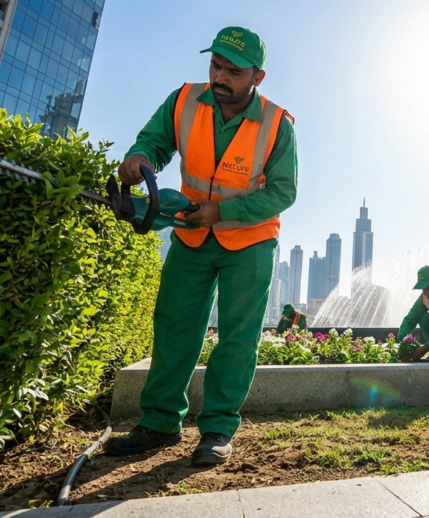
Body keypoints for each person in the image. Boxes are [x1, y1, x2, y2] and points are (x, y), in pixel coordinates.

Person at [103, 27, 297, 465]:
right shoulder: (184, 101)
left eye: (233, 70)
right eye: (215, 64)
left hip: (249, 242)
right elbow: (153, 141)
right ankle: (158, 423)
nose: (220, 76)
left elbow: (282, 192)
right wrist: (140, 158)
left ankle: (217, 430)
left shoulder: (277, 124)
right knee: (174, 326)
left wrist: (221, 212)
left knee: (237, 337)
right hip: (191, 235)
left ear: (257, 77)